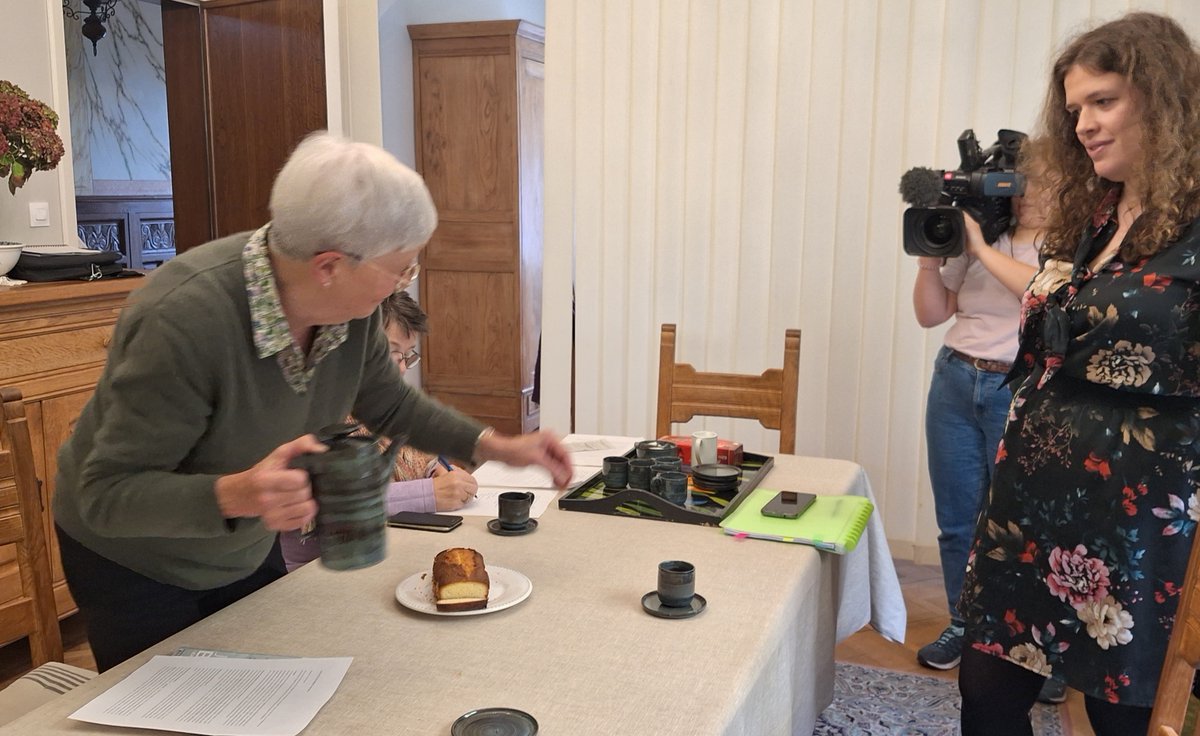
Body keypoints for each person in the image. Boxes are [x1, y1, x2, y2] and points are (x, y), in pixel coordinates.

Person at [51, 132, 573, 672]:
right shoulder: (181, 320)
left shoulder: (351, 308)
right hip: (137, 559)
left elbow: (389, 403)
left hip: (244, 542)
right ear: (328, 266)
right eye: (400, 269)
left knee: (263, 689)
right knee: (167, 714)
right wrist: (238, 494)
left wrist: (499, 445)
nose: (403, 284)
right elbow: (106, 494)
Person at [956, 12, 1200, 736]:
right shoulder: (1093, 215)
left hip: (1135, 520)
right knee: (986, 691)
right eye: (1075, 110)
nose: (1085, 124)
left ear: (1163, 98)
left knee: (1117, 714)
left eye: (1105, 101)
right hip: (1031, 504)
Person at [910, 148, 1047, 679]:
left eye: (1036, 181)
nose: (1024, 193)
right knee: (956, 520)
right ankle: (963, 624)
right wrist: (929, 256)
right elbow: (930, 314)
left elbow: (1039, 295)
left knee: (1021, 525)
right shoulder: (984, 238)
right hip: (955, 379)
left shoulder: (1072, 246)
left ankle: (1034, 647)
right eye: (1017, 182)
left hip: (1019, 387)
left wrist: (978, 246)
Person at [279, 292, 479, 571]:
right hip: (320, 570)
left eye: (407, 357)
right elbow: (322, 505)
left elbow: (410, 456)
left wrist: (436, 470)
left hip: (392, 550)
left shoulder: (385, 403)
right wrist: (428, 493)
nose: (400, 368)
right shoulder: (319, 410)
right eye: (392, 353)